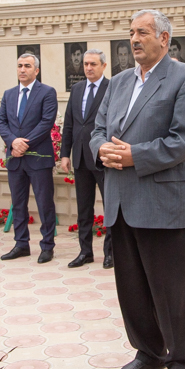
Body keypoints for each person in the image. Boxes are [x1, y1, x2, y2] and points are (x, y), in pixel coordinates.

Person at [92, 9, 185, 369]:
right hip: (122, 200)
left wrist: (133, 156)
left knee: (172, 288)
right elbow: (97, 129)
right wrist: (103, 149)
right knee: (133, 286)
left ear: (164, 39)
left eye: (143, 32)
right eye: (131, 33)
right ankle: (149, 350)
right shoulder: (120, 81)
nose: (135, 39)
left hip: (165, 201)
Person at [0, 53, 57, 263]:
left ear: (36, 70)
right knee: (18, 203)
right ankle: (21, 244)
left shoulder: (47, 92)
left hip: (38, 159)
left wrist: (24, 143)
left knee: (44, 202)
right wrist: (13, 142)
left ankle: (47, 245)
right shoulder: (8, 94)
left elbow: (46, 122)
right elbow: (1, 122)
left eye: (27, 66)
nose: (23, 69)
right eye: (20, 66)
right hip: (15, 158)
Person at [58, 49, 112, 269]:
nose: (88, 68)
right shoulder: (78, 88)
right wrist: (64, 154)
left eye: (93, 64)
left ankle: (111, 253)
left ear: (103, 66)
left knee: (110, 208)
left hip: (103, 158)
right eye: (85, 64)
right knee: (84, 209)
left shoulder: (113, 88)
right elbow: (70, 124)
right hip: (80, 158)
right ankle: (85, 251)